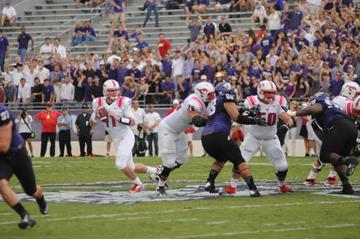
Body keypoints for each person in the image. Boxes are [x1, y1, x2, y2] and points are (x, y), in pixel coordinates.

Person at [91, 80, 160, 192]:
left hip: (126, 136)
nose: (114, 93)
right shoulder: (97, 102)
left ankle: (138, 184)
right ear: (105, 91)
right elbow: (91, 123)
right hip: (116, 138)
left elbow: (132, 122)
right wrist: (95, 118)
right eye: (111, 91)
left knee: (120, 164)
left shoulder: (124, 101)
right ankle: (157, 171)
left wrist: (117, 118)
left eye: (116, 90)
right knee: (131, 167)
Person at [287, 92, 360, 194]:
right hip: (351, 127)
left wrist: (293, 113)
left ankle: (347, 161)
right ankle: (346, 185)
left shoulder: (322, 102)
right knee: (335, 159)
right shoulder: (335, 106)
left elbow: (313, 109)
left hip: (339, 125)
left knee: (325, 155)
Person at [202, 82, 264, 196]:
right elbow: (236, 117)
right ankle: (253, 189)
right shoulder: (226, 97)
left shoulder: (215, 101)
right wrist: (255, 120)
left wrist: (248, 111)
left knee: (221, 158)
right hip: (219, 134)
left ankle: (209, 182)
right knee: (240, 161)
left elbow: (234, 108)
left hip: (206, 138)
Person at [155, 82, 216, 195]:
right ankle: (160, 185)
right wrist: (213, 122)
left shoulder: (207, 102)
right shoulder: (193, 101)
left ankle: (158, 172)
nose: (212, 97)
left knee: (182, 159)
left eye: (213, 94)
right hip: (167, 129)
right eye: (210, 94)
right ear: (201, 94)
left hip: (178, 131)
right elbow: (196, 121)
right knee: (168, 162)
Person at [234, 80, 294, 193]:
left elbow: (288, 119)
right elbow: (244, 115)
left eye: (272, 93)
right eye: (267, 92)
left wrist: (286, 126)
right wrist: (250, 114)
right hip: (253, 137)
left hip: (271, 138)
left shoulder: (279, 101)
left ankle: (281, 186)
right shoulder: (251, 101)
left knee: (283, 167)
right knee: (239, 161)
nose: (271, 95)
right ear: (260, 92)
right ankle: (232, 186)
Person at [0, 104, 47, 229]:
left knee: (31, 190)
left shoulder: (2, 112)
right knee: (1, 184)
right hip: (2, 159)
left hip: (17, 154)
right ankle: (24, 215)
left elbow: (3, 145)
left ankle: (40, 198)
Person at [304, 82, 360, 186]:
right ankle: (314, 178)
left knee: (335, 153)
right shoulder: (346, 103)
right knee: (330, 153)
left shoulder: (339, 99)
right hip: (325, 128)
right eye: (356, 94)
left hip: (325, 127)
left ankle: (324, 178)